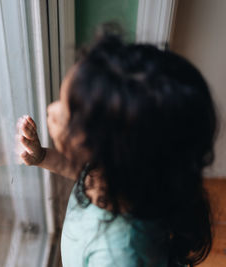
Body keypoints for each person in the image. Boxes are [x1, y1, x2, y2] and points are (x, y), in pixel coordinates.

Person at [16, 31, 217, 266]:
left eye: (66, 111)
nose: (52, 109)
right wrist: (41, 156)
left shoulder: (118, 256)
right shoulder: (126, 179)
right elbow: (79, 172)